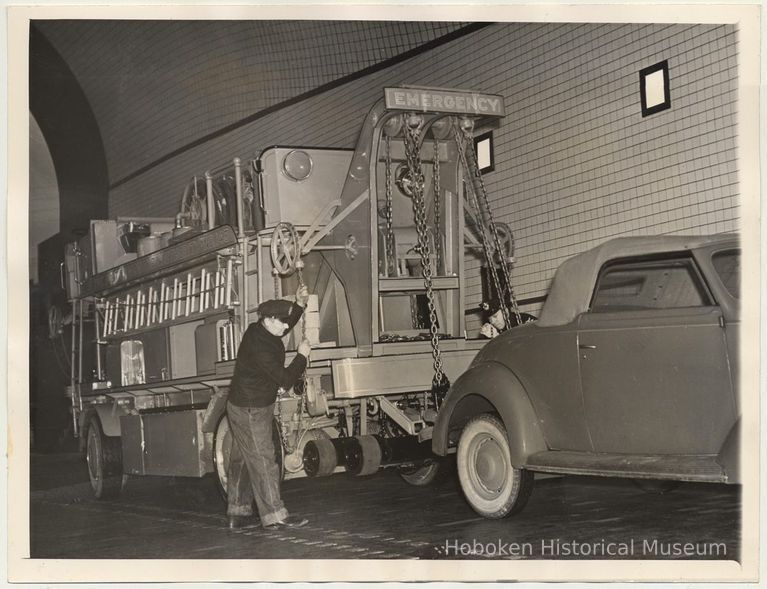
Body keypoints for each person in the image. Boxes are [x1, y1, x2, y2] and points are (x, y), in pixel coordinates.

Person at [225, 284, 311, 530]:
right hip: (251, 410)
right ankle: (275, 514)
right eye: (282, 323)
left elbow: (285, 321)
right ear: (270, 320)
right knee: (264, 460)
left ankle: (237, 512)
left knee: (242, 460)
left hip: (244, 405)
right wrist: (302, 356)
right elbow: (285, 379)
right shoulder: (261, 347)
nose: (287, 327)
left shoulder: (259, 329)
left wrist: (299, 305)